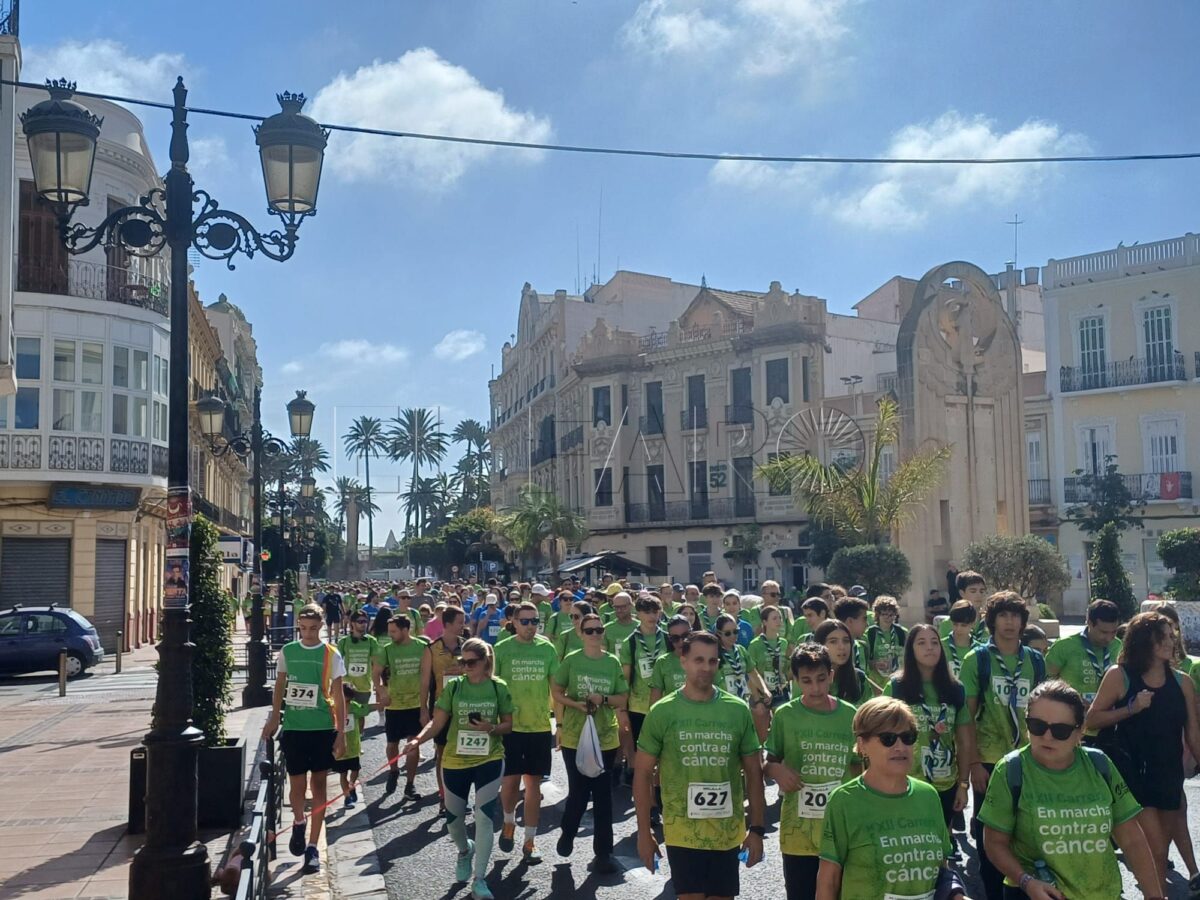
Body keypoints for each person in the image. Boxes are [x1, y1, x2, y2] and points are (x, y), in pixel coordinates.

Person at [982, 680, 1161, 900]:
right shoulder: (1010, 770)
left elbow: (1131, 839)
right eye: (1037, 726)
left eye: (1060, 730)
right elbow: (993, 843)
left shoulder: (1099, 765)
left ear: (1080, 731)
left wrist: (1154, 896)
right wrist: (1026, 882)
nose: (1047, 736)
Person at [634, 631, 765, 900]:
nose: (706, 668)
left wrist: (757, 829)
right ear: (683, 660)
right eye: (699, 660)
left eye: (713, 661)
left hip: (727, 832)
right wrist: (644, 832)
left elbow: (754, 771)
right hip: (683, 830)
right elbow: (643, 772)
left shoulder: (737, 709)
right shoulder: (663, 711)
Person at [1086, 610, 1200, 896]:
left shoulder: (1182, 681)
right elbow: (1091, 720)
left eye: (1171, 637)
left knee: (1160, 850)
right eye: (1160, 637)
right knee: (1156, 846)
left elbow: (1193, 732)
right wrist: (1131, 709)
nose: (1168, 643)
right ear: (1142, 641)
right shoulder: (1119, 676)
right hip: (1131, 772)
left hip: (1168, 774)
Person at [816, 696, 964, 900]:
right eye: (888, 739)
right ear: (862, 745)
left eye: (908, 737)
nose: (900, 747)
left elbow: (941, 869)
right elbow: (828, 880)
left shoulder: (928, 795)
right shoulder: (844, 801)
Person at [405, 638, 513, 900]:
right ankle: (465, 850)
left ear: (485, 661)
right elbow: (437, 723)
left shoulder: (499, 688)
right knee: (453, 821)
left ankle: (479, 880)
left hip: (489, 758)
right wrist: (418, 739)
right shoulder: (453, 688)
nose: (465, 666)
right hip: (454, 760)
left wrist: (491, 728)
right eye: (462, 661)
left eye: (471, 662)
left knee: (484, 816)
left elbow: (508, 724)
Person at [962, 590, 1047, 900]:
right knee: (991, 835)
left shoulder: (1035, 660)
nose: (1010, 622)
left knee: (1027, 830)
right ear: (992, 620)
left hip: (1027, 758)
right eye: (1003, 616)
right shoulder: (978, 659)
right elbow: (966, 717)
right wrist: (972, 765)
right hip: (989, 760)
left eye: (1015, 616)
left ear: (1023, 622)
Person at [765, 643, 858, 900]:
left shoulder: (850, 715)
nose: (815, 688)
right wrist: (776, 770)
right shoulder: (785, 715)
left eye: (821, 679)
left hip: (841, 830)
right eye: (806, 681)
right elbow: (769, 762)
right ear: (794, 680)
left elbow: (859, 765)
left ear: (831, 674)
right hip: (798, 833)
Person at [261, 603, 347, 875]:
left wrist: (341, 734)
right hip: (295, 727)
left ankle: (312, 848)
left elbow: (339, 693)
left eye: (313, 628)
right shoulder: (288, 651)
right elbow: (280, 685)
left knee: (319, 785)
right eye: (303, 628)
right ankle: (299, 821)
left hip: (322, 727)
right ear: (298, 626)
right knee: (296, 785)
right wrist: (275, 717)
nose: (308, 633)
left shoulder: (331, 654)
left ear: (321, 625)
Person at [551, 612, 629, 874]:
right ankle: (568, 832)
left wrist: (603, 700)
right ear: (581, 634)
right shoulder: (572, 661)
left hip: (605, 738)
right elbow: (557, 692)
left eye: (598, 630)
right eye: (589, 630)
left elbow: (622, 698)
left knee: (603, 796)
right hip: (576, 737)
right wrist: (575, 704)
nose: (594, 634)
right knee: (579, 792)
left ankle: (604, 853)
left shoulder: (612, 662)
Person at [884, 623, 972, 826]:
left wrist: (963, 784)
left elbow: (964, 741)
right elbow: (881, 736)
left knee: (939, 846)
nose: (930, 648)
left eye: (934, 642)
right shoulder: (897, 687)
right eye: (921, 643)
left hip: (945, 782)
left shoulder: (955, 689)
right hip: (905, 781)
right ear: (911, 650)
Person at [492, 601, 559, 862]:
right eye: (525, 621)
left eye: (535, 622)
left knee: (534, 786)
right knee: (510, 783)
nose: (530, 626)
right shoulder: (502, 649)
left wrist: (560, 725)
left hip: (539, 726)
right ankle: (509, 821)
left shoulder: (547, 648)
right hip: (511, 728)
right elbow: (494, 688)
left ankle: (530, 841)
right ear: (515, 623)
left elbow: (555, 688)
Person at [374, 614, 428, 799]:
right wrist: (381, 692)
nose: (391, 635)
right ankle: (394, 770)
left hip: (414, 703)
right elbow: (376, 674)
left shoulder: (421, 647)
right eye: (389, 631)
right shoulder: (387, 649)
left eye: (394, 631)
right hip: (394, 705)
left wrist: (424, 707)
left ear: (406, 630)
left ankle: (410, 785)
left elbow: (426, 676)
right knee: (392, 744)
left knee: (413, 745)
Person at [421, 606, 467, 816]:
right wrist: (423, 709)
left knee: (463, 753)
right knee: (442, 754)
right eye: (459, 622)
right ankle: (443, 797)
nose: (463, 625)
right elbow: (424, 682)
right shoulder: (431, 648)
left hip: (464, 707)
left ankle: (460, 798)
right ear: (447, 624)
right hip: (441, 708)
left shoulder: (467, 646)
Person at [747, 605, 791, 741]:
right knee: (762, 735)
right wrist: (756, 698)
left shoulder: (784, 643)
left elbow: (787, 671)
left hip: (780, 690)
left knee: (782, 729)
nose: (779, 621)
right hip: (760, 692)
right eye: (774, 618)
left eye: (780, 618)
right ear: (765, 622)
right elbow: (750, 672)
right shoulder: (755, 644)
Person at [812, 620, 870, 706]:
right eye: (833, 641)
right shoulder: (807, 678)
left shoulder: (859, 678)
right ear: (820, 645)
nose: (842, 647)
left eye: (846, 641)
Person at [714, 613, 767, 707]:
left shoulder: (741, 650)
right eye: (727, 633)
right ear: (719, 633)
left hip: (743, 701)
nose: (733, 635)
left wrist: (764, 690)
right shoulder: (714, 652)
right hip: (723, 703)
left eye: (735, 631)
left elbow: (753, 674)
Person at [333, 682, 371, 809]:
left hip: (353, 746)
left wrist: (380, 704)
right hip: (340, 747)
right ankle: (347, 797)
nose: (346, 704)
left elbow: (365, 709)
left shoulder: (354, 707)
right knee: (342, 773)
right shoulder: (333, 708)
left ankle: (351, 784)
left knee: (355, 770)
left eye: (348, 701)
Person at [337, 611, 377, 721]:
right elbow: (336, 662)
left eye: (365, 621)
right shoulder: (344, 641)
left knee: (361, 714)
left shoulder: (371, 641)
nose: (363, 624)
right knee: (346, 714)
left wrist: (378, 683)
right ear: (352, 623)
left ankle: (360, 736)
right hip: (347, 684)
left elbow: (376, 663)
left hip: (364, 685)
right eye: (360, 621)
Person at [864, 595, 907, 688]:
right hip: (876, 682)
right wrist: (875, 664)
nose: (888, 618)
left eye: (891, 615)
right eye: (884, 614)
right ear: (877, 615)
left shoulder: (902, 632)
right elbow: (865, 659)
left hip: (897, 680)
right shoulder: (870, 633)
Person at [649, 615, 692, 705]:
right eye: (675, 638)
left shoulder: (703, 658)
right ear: (669, 638)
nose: (681, 642)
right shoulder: (662, 662)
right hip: (673, 716)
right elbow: (655, 700)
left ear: (691, 633)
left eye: (685, 636)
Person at [940, 570, 989, 644]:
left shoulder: (990, 621)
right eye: (973, 591)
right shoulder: (948, 624)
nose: (979, 595)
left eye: (982, 591)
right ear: (962, 593)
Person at [942, 600, 980, 679]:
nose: (958, 629)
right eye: (955, 624)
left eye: (963, 625)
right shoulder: (940, 646)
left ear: (973, 624)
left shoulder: (979, 649)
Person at [831, 596, 870, 674]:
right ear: (850, 621)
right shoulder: (833, 648)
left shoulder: (860, 646)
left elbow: (864, 679)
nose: (867, 624)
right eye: (864, 619)